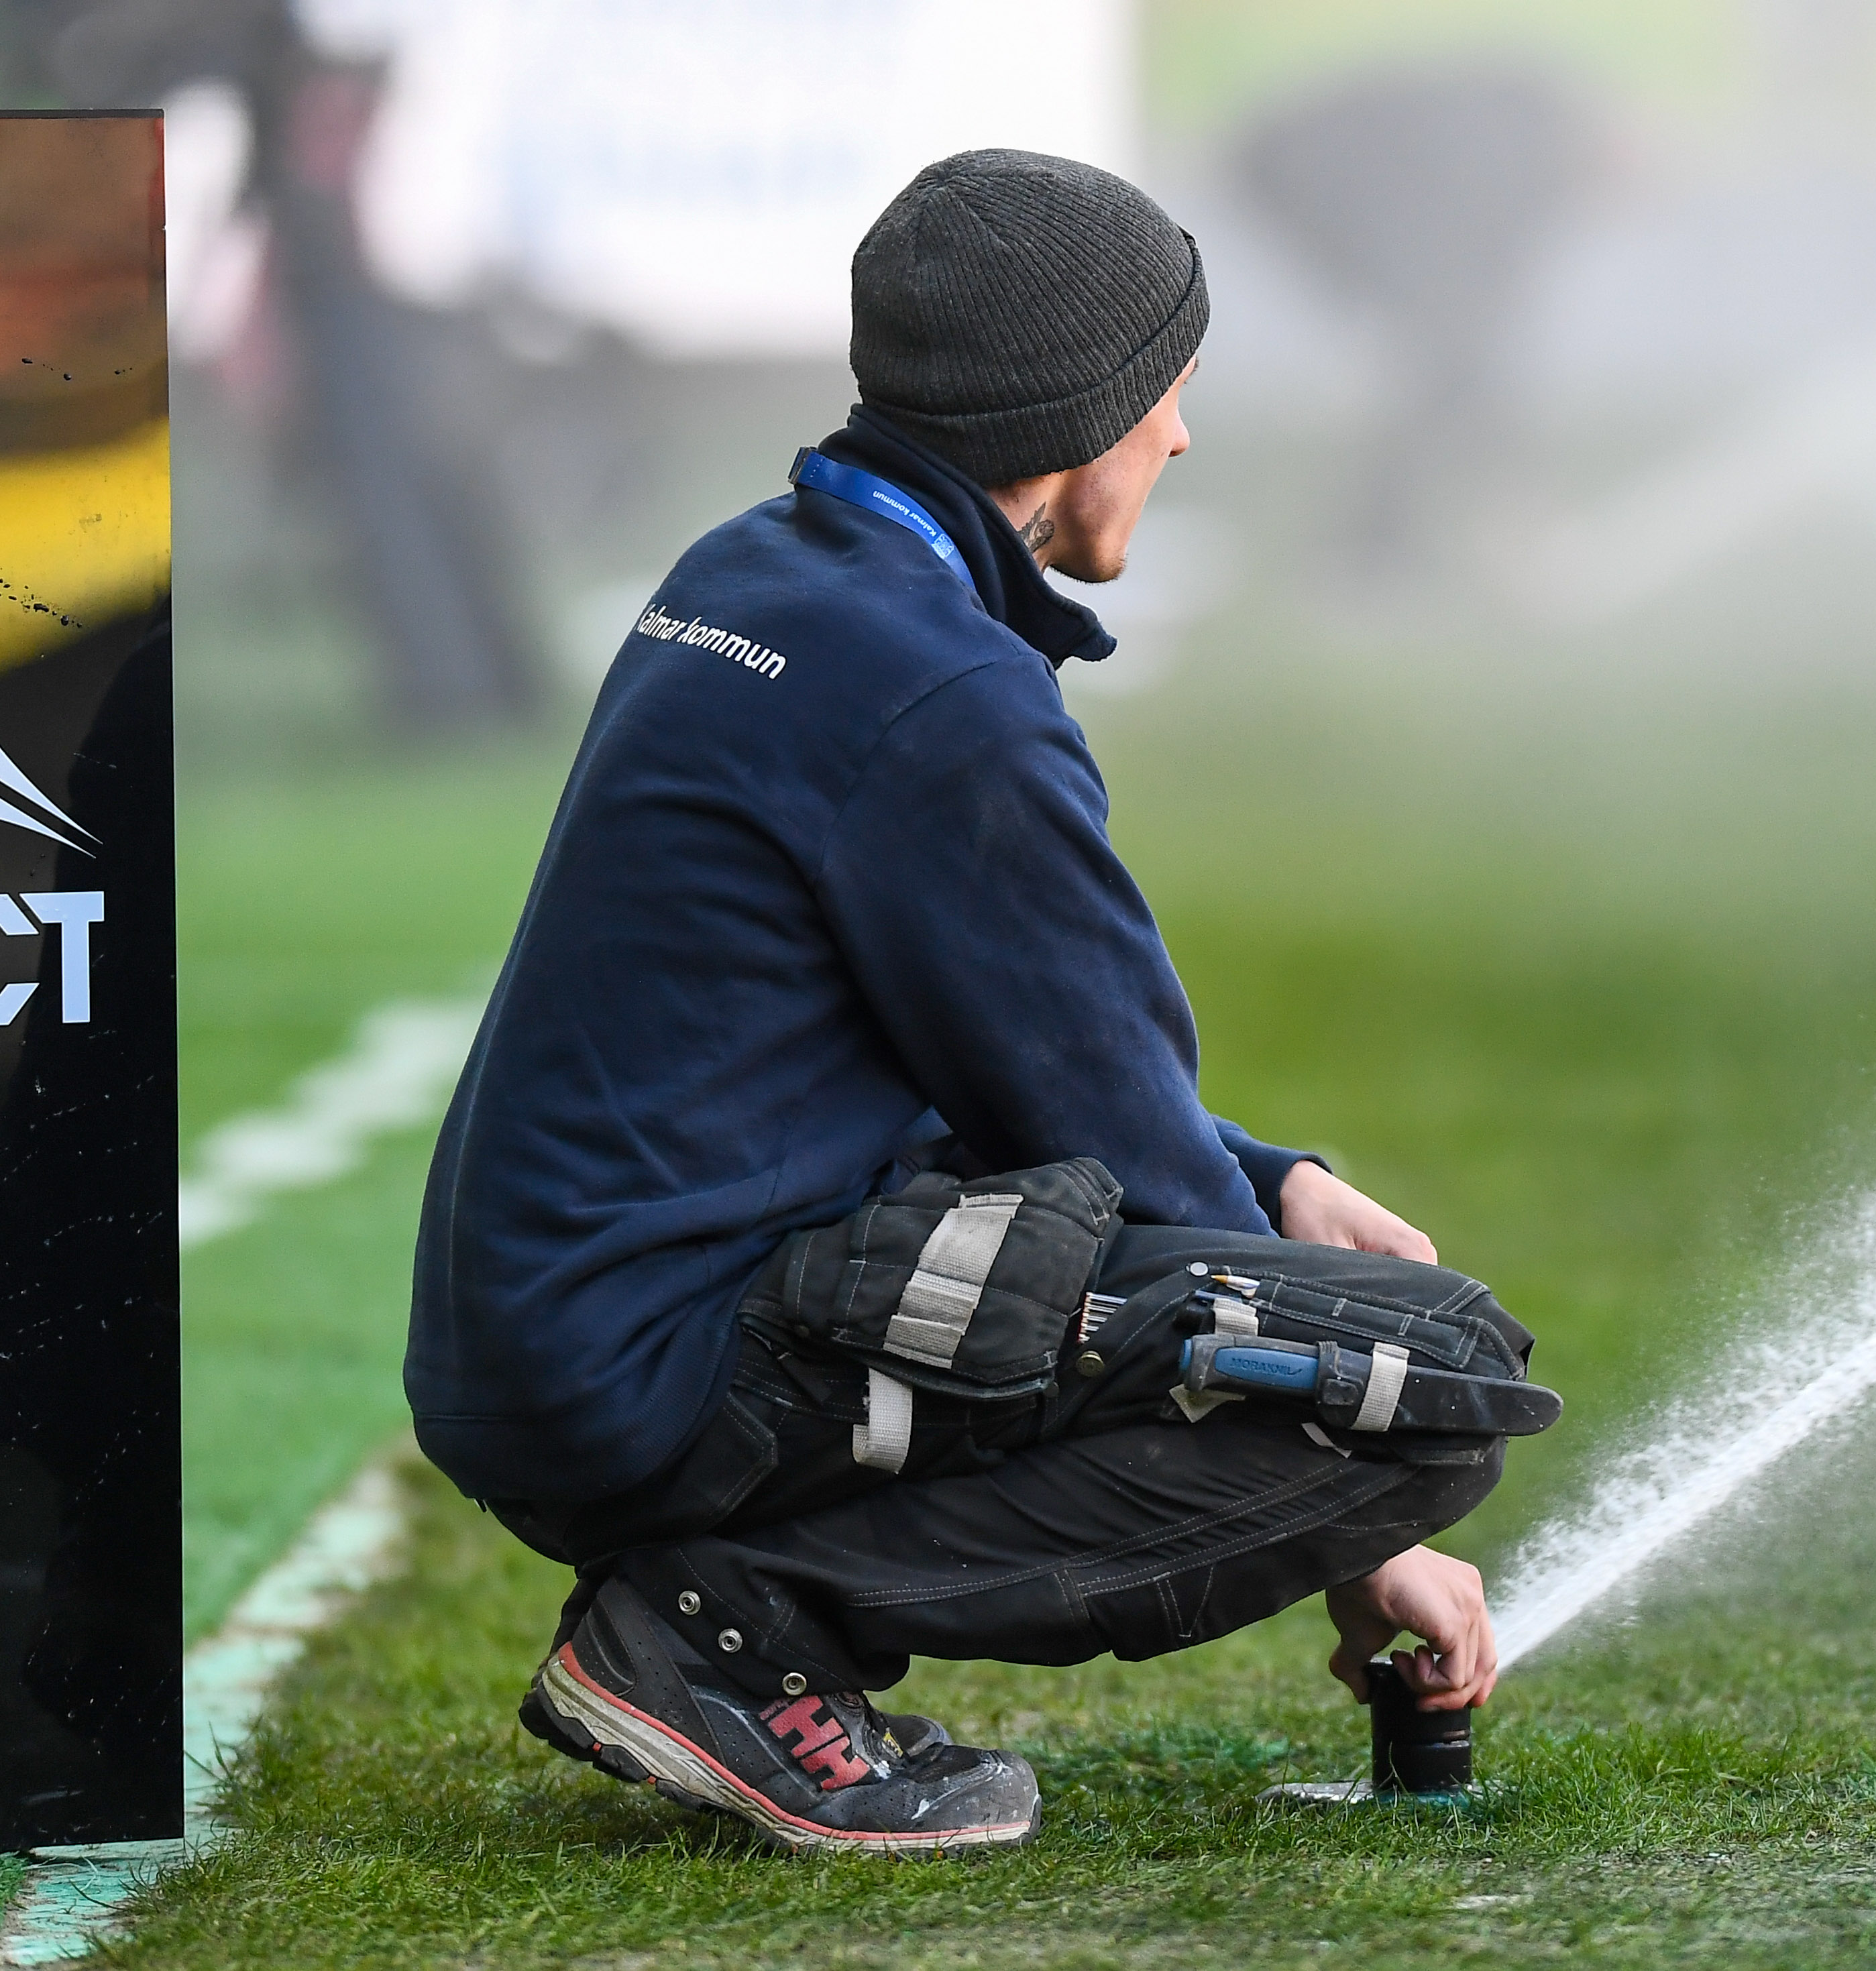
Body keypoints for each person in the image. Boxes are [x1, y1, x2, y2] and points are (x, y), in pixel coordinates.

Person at [404, 150, 1527, 1854]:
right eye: (1172, 391)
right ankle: (724, 1629)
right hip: (651, 1362)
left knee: (1324, 1310)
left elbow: (977, 1061)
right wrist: (1349, 1494)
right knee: (1430, 1380)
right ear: (1082, 413)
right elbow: (1111, 1127)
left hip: (559, 1324)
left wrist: (1276, 1173)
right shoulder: (943, 693)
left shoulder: (760, 574)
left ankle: (716, 1608)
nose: (1182, 437)